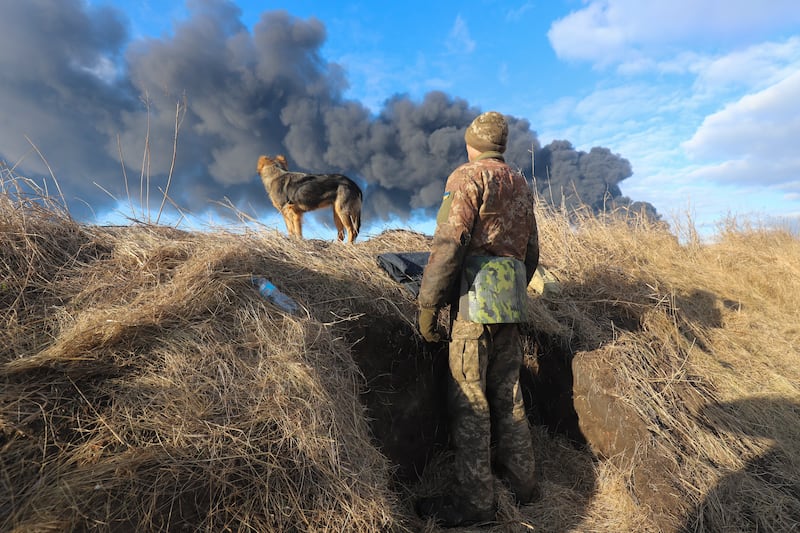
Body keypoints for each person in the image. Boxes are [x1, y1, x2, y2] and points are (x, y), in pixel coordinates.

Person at [416, 111, 540, 527]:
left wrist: (429, 305)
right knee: (509, 394)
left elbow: (450, 243)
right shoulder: (520, 183)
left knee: (470, 401)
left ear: (472, 143)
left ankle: (476, 504)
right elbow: (532, 253)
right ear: (501, 145)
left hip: (474, 305)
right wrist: (513, 288)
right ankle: (524, 486)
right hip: (512, 302)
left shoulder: (467, 177)